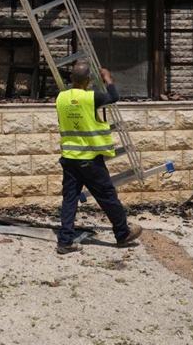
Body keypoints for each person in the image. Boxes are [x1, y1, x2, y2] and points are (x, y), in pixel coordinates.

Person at [55, 62, 142, 254]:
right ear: (88, 81)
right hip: (89, 159)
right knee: (107, 196)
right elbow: (114, 97)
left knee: (69, 199)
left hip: (69, 159)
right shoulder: (90, 97)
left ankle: (65, 241)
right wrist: (108, 79)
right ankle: (122, 233)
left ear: (71, 79)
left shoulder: (61, 98)